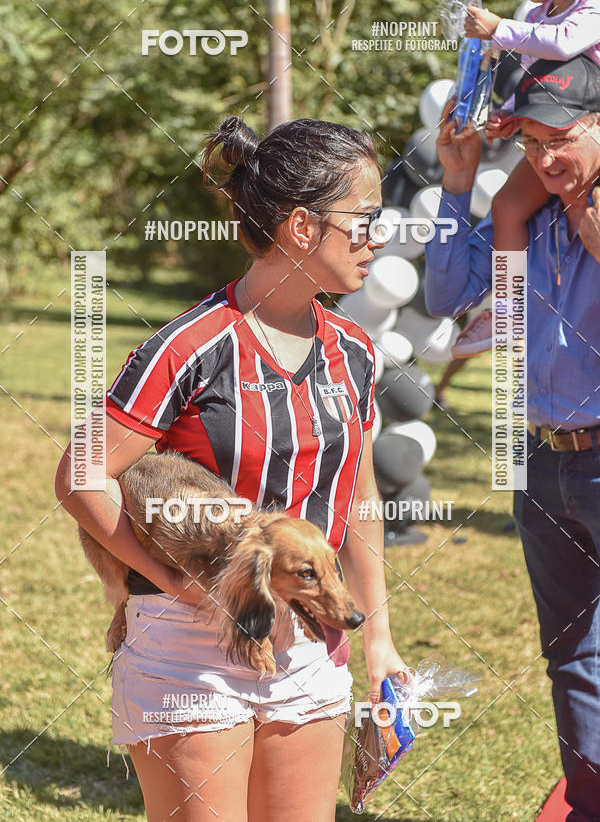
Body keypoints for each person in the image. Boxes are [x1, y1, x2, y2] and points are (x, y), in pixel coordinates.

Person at [54, 115, 409, 822]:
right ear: (303, 228)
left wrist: (378, 640)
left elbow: (359, 498)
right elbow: (80, 476)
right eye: (364, 221)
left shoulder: (354, 350)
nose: (380, 237)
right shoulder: (189, 344)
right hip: (188, 649)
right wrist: (184, 589)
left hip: (311, 642)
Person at [425, 55, 600, 821]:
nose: (547, 158)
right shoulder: (527, 212)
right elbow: (444, 293)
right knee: (573, 654)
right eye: (531, 145)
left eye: (561, 137)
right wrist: (458, 184)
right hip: (543, 461)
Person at [452, 0, 600, 357]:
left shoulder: (594, 5)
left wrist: (500, 28)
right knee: (506, 206)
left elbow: (563, 43)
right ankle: (508, 309)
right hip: (567, 148)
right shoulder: (536, 19)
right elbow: (537, 85)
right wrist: (510, 115)